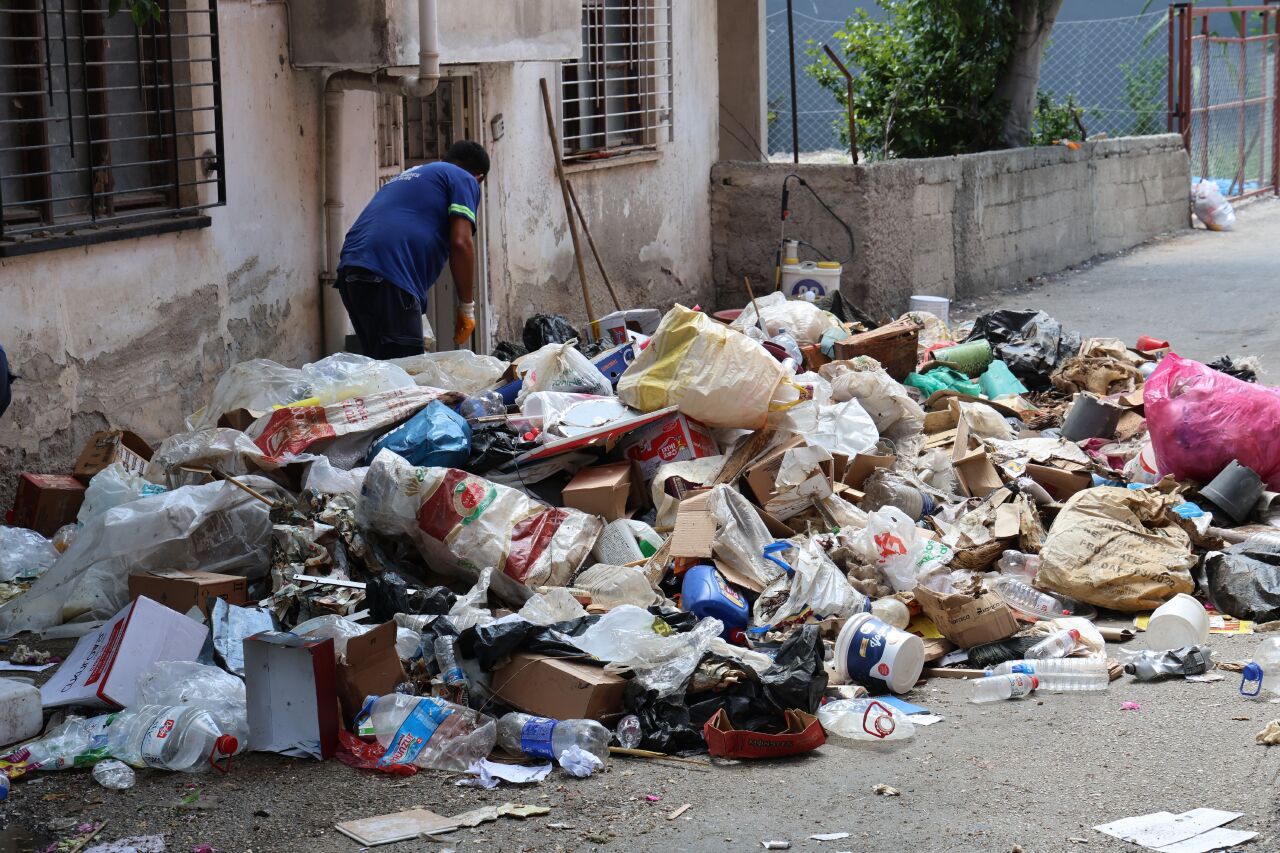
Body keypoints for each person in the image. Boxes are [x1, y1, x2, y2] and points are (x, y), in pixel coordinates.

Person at [336, 140, 489, 358]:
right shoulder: (464, 178)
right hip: (389, 273)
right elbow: (461, 242)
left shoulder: (410, 175)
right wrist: (467, 308)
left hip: (351, 271)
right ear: (479, 178)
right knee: (406, 376)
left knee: (383, 372)